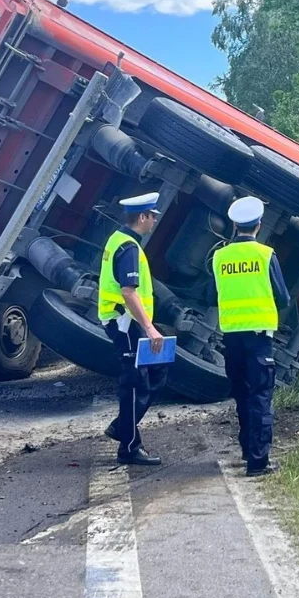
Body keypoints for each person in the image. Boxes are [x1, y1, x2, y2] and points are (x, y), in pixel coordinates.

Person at [211, 196, 291, 477]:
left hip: (231, 337)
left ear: (234, 224)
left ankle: (247, 448)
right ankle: (258, 461)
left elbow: (212, 295)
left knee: (242, 395)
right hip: (259, 338)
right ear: (258, 225)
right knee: (261, 398)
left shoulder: (219, 257)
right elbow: (283, 298)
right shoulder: (266, 255)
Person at [99, 192, 167, 466]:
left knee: (157, 371)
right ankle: (128, 447)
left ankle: (121, 427)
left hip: (128, 322)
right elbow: (128, 292)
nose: (153, 221)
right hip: (126, 324)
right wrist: (150, 328)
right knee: (135, 384)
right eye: (152, 216)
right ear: (142, 217)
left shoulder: (119, 241)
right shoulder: (128, 248)